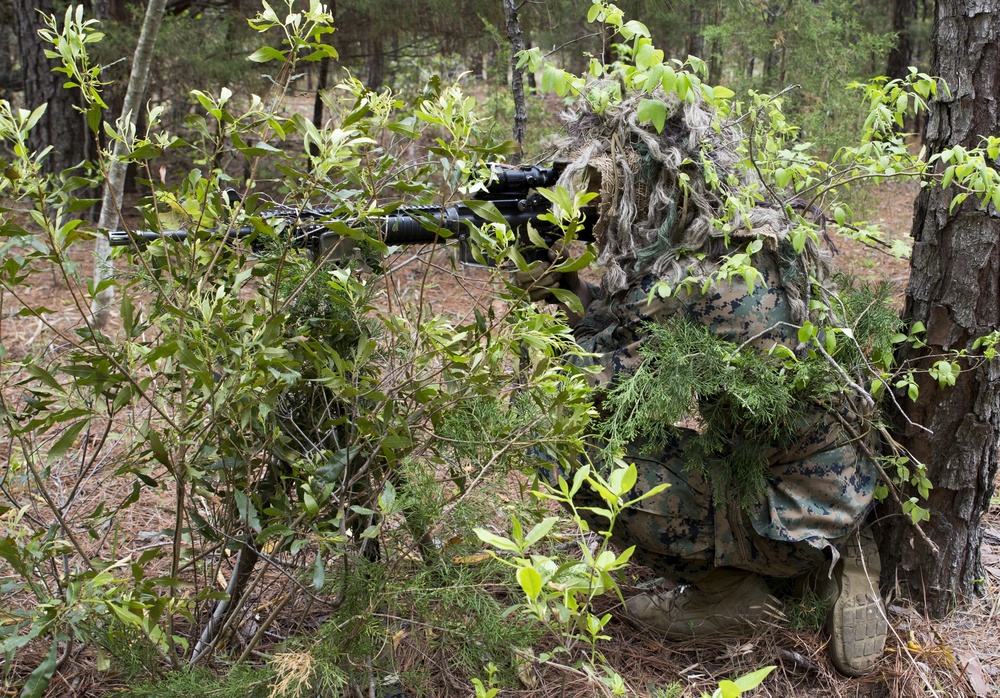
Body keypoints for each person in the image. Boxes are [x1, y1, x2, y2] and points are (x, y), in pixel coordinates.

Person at [515, 89, 888, 676]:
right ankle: (841, 548)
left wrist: (537, 283)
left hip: (788, 508)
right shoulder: (747, 236)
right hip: (842, 479)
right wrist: (559, 278)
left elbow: (578, 377)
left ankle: (732, 592)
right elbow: (620, 329)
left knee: (554, 441)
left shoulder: (690, 285)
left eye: (601, 189)